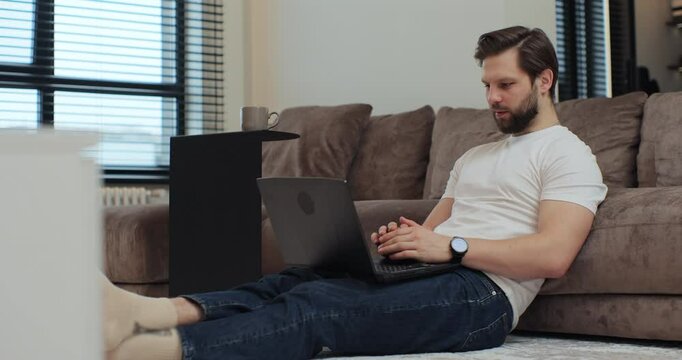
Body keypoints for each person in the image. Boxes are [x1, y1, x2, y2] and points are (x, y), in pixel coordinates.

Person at [103, 26, 608, 360]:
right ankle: (153, 312)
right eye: (486, 85)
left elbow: (554, 255)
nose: (492, 98)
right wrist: (409, 241)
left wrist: (452, 248)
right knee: (301, 277)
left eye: (505, 85)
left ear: (544, 81)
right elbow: (434, 232)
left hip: (483, 299)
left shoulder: (568, 154)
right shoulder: (475, 156)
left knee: (320, 307)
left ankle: (166, 349)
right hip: (440, 270)